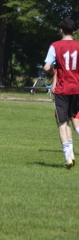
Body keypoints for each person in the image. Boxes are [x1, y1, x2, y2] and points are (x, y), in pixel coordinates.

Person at [44, 18, 79, 169]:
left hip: (62, 89)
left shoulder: (55, 46)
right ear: (74, 31)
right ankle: (71, 154)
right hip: (77, 89)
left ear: (61, 30)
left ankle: (68, 157)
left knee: (62, 122)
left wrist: (53, 69)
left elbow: (46, 67)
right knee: (74, 119)